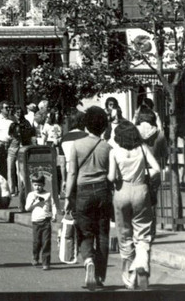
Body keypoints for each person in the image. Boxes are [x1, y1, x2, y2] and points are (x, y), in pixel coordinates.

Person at [64, 105, 112, 291]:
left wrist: (68, 196)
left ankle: (89, 261)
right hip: (102, 191)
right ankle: (99, 275)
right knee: (102, 233)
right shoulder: (107, 147)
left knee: (84, 231)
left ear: (86, 125)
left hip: (82, 191)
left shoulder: (76, 145)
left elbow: (72, 173)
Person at [109, 120, 161, 289]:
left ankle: (129, 277)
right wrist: (145, 177)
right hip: (141, 190)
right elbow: (157, 169)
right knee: (143, 232)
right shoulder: (142, 149)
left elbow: (111, 177)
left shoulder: (115, 152)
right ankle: (142, 263)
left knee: (124, 234)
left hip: (122, 191)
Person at [24, 172, 58, 270]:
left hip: (46, 221)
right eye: (35, 185)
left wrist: (54, 215)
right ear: (32, 184)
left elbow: (53, 205)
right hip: (36, 221)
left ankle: (46, 262)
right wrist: (35, 201)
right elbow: (27, 208)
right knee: (36, 242)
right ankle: (35, 257)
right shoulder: (31, 195)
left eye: (39, 185)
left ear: (43, 185)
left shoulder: (47, 194)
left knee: (46, 242)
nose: (37, 187)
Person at [0, 102, 14, 181]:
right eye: (6, 108)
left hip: (10, 144)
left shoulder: (12, 119)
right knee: (0, 165)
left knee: (10, 165)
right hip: (0, 143)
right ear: (1, 109)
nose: (8, 109)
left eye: (9, 107)